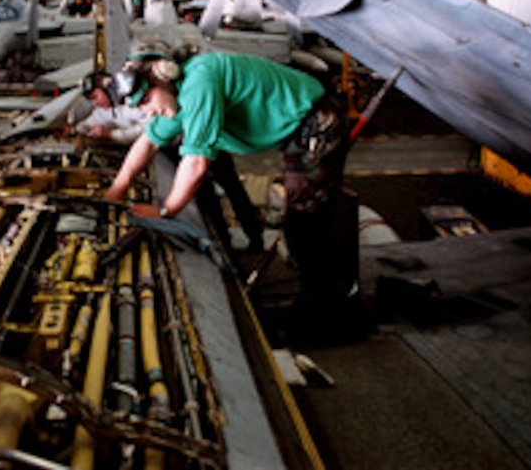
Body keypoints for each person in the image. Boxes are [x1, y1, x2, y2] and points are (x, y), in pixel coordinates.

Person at [104, 45, 359, 336]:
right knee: (302, 220)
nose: (148, 110)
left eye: (147, 100)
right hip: (299, 129)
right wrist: (118, 188)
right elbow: (148, 143)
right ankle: (318, 302)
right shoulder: (176, 97)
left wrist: (166, 211)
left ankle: (323, 317)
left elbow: (197, 163)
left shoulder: (199, 85)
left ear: (163, 79)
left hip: (317, 122)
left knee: (307, 220)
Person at [72, 71, 149, 144]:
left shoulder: (132, 103)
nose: (94, 103)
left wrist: (110, 134)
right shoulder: (103, 110)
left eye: (95, 97)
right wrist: (75, 130)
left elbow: (146, 129)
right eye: (90, 100)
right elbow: (88, 123)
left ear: (108, 89)